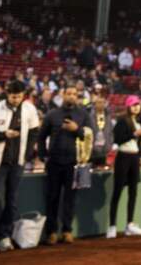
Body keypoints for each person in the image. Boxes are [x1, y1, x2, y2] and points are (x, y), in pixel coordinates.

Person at [0, 80, 40, 254]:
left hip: (18, 162)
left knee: (12, 201)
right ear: (8, 94)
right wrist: (3, 135)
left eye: (19, 96)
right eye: (13, 96)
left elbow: (34, 133)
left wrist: (28, 154)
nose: (16, 99)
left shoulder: (29, 109)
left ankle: (5, 236)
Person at [37, 85, 91, 245]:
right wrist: (43, 155)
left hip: (75, 164)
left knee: (70, 199)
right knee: (52, 198)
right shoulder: (52, 114)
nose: (72, 96)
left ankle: (67, 230)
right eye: (69, 93)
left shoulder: (83, 115)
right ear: (63, 94)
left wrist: (77, 129)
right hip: (54, 162)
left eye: (75, 94)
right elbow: (41, 137)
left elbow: (89, 135)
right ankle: (52, 232)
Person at [107, 95, 141, 239]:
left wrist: (140, 156)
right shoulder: (122, 121)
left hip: (134, 158)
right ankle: (112, 226)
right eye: (134, 104)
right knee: (117, 192)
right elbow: (118, 140)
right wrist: (135, 134)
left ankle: (129, 224)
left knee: (133, 192)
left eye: (138, 104)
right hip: (123, 157)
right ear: (128, 106)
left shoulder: (138, 122)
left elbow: (138, 144)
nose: (137, 107)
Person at [89, 94, 114, 167]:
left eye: (103, 102)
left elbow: (111, 132)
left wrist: (110, 144)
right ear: (95, 104)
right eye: (99, 102)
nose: (101, 104)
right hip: (93, 149)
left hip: (106, 148)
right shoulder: (90, 117)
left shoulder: (108, 116)